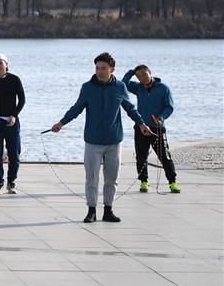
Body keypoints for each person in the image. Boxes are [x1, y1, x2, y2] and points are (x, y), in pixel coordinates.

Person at [51, 52, 153, 223]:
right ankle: (91, 211)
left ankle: (108, 210)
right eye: (97, 68)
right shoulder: (87, 87)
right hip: (92, 140)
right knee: (92, 178)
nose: (100, 71)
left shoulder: (120, 87)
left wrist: (142, 124)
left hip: (114, 140)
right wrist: (61, 123)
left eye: (103, 68)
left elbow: (130, 108)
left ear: (112, 69)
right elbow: (76, 108)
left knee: (111, 179)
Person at [122, 65, 179, 193]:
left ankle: (173, 182)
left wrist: (161, 117)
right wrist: (131, 72)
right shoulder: (138, 88)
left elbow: (169, 107)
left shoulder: (163, 88)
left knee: (165, 156)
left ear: (150, 72)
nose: (142, 78)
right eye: (139, 76)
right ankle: (144, 182)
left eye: (144, 74)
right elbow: (122, 85)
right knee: (141, 157)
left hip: (157, 129)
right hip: (141, 128)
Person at [0, 53, 25, 195]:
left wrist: (14, 115)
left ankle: (11, 182)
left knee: (14, 153)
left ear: (6, 65)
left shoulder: (14, 80)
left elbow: (22, 100)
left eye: (0, 63)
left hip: (12, 122)